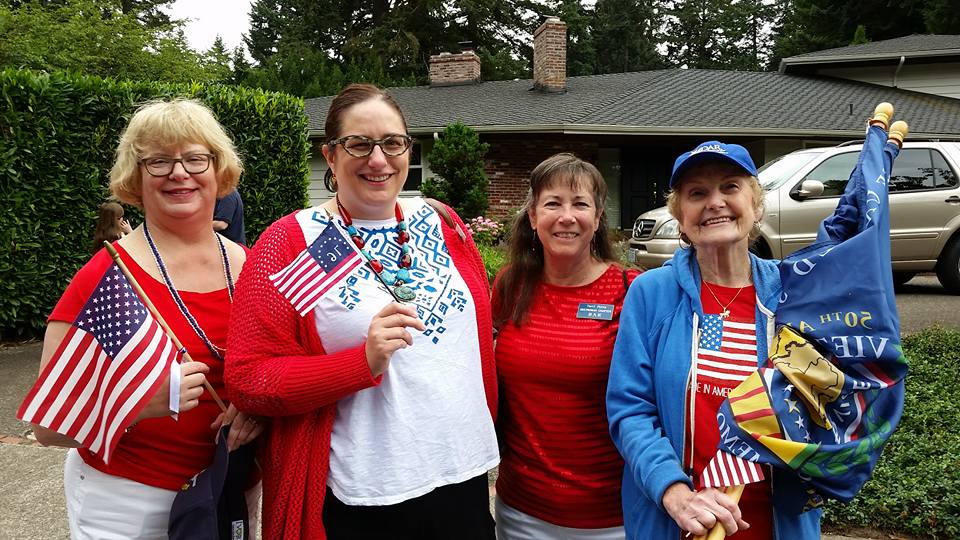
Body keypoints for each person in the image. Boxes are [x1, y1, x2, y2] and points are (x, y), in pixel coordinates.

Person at [224, 83, 499, 540]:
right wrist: (360, 363)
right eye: (359, 144)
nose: (378, 159)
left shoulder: (443, 223)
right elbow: (250, 378)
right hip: (362, 493)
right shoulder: (293, 242)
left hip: (462, 475)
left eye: (392, 143)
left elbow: (475, 348)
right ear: (330, 156)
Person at [29, 98, 263, 539]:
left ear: (219, 170)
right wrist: (133, 403)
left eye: (195, 158)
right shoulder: (105, 277)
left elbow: (278, 372)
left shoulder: (253, 268)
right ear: (136, 178)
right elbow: (48, 425)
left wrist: (259, 407)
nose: (179, 172)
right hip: (128, 505)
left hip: (227, 492)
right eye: (159, 161)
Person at [606, 141, 821, 539]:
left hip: (775, 523)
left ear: (756, 206)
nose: (715, 202)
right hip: (677, 522)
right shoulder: (651, 293)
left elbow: (825, 400)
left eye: (730, 187)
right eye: (697, 193)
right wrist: (674, 493)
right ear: (680, 217)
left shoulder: (796, 294)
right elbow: (630, 409)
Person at [491, 153, 639, 540]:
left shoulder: (631, 290)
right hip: (521, 510)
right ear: (533, 216)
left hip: (612, 516)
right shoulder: (510, 285)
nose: (567, 216)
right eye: (553, 203)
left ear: (598, 216)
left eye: (580, 204)